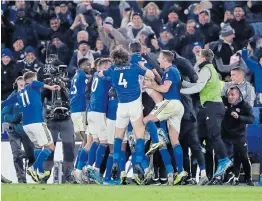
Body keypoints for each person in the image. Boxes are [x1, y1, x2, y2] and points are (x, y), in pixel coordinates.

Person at [98, 47, 155, 183]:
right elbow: (151, 75)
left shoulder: (111, 70)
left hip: (121, 105)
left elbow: (101, 74)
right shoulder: (134, 67)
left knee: (118, 135)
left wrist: (103, 71)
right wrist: (142, 66)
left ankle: (116, 161)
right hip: (135, 104)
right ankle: (138, 162)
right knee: (139, 134)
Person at [180, 49, 232, 183]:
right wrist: (184, 83)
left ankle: (224, 160)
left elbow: (198, 88)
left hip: (213, 106)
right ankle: (220, 159)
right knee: (210, 134)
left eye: (198, 56)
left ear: (202, 58)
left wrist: (181, 90)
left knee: (214, 135)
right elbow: (199, 85)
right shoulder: (210, 68)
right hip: (212, 106)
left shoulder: (205, 69)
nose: (197, 59)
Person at [1, 71, 60, 183]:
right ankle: (34, 168)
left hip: (26, 126)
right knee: (50, 147)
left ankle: (39, 171)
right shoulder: (33, 85)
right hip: (37, 122)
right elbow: (36, 83)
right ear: (32, 79)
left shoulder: (18, 94)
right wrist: (51, 87)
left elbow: (5, 103)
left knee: (38, 146)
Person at [143, 50, 187, 185]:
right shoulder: (172, 72)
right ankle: (180, 172)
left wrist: (152, 85)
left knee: (146, 120)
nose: (158, 60)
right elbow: (165, 83)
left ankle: (156, 141)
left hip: (170, 103)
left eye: (160, 58)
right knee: (175, 141)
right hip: (178, 106)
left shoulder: (170, 71)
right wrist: (156, 76)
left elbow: (165, 89)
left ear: (166, 60)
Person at [2, 76, 35, 183]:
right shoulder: (12, 98)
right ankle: (21, 179)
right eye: (21, 85)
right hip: (14, 130)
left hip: (27, 131)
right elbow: (4, 114)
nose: (23, 87)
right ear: (17, 85)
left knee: (31, 154)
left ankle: (27, 156)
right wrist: (13, 119)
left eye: (25, 85)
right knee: (16, 155)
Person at [84, 58, 112, 184]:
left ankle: (89, 166)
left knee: (95, 140)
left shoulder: (95, 75)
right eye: (109, 67)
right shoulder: (105, 78)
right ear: (104, 67)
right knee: (104, 142)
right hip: (99, 112)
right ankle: (96, 169)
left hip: (91, 112)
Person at [221, 86, 255, 186]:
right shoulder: (224, 102)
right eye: (228, 95)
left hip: (239, 136)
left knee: (243, 156)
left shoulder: (245, 105)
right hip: (226, 136)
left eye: (232, 95)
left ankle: (249, 179)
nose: (229, 97)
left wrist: (239, 117)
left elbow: (251, 119)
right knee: (229, 158)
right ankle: (233, 178)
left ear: (238, 95)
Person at [70, 58, 91, 183]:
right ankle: (78, 170)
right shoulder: (82, 75)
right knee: (85, 140)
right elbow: (85, 91)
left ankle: (79, 167)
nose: (89, 66)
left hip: (76, 109)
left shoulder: (76, 75)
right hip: (79, 109)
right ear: (82, 65)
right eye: (87, 64)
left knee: (85, 140)